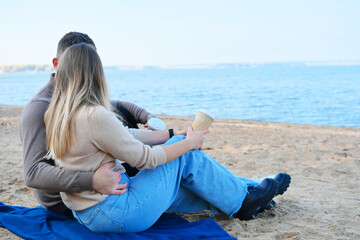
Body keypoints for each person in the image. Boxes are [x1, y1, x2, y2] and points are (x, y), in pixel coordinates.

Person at [44, 42, 291, 233]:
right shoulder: (94, 115)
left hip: (87, 212)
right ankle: (243, 201)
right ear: (95, 73)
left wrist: (173, 134)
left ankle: (250, 192)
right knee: (186, 157)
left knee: (186, 184)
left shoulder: (58, 113)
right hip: (115, 212)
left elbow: (124, 135)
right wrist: (187, 143)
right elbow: (146, 160)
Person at [19, 32, 161, 216]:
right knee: (171, 160)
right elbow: (33, 173)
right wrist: (93, 180)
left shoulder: (81, 95)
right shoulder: (39, 108)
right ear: (56, 64)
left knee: (122, 116)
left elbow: (119, 105)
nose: (80, 70)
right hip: (69, 201)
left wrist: (149, 117)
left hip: (99, 174)